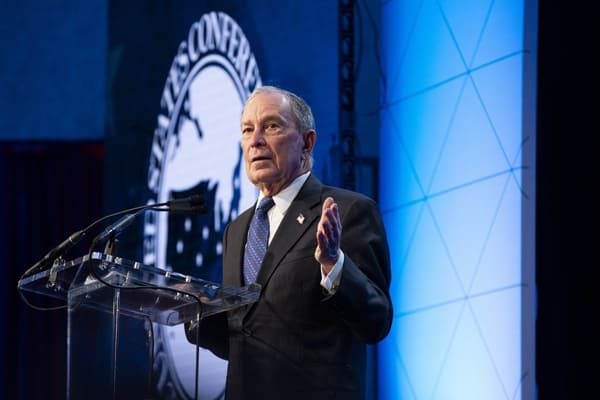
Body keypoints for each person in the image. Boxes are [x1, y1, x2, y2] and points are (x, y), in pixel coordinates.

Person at [185, 85, 393, 400]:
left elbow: (376, 321)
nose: (255, 141)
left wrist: (334, 265)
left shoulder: (348, 211)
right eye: (247, 130)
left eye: (271, 126)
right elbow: (244, 336)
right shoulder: (237, 230)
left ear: (307, 142)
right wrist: (192, 312)